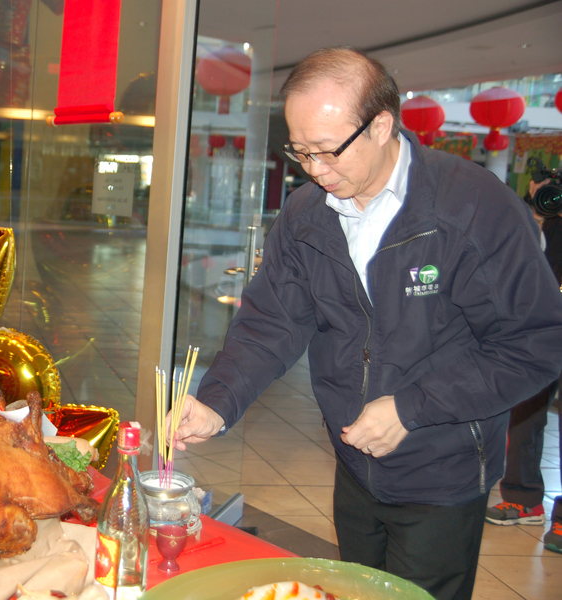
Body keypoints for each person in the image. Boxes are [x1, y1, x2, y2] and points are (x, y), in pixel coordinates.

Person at [167, 47, 562, 600]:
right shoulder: (307, 214)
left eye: (328, 151)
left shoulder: (472, 208)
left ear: (382, 125)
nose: (315, 171)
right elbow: (271, 322)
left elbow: (535, 344)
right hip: (354, 462)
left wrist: (411, 406)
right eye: (301, 153)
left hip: (441, 471)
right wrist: (216, 400)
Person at [484, 177, 562, 554]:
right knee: (525, 409)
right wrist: (536, 209)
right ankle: (522, 497)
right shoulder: (548, 208)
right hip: (545, 316)